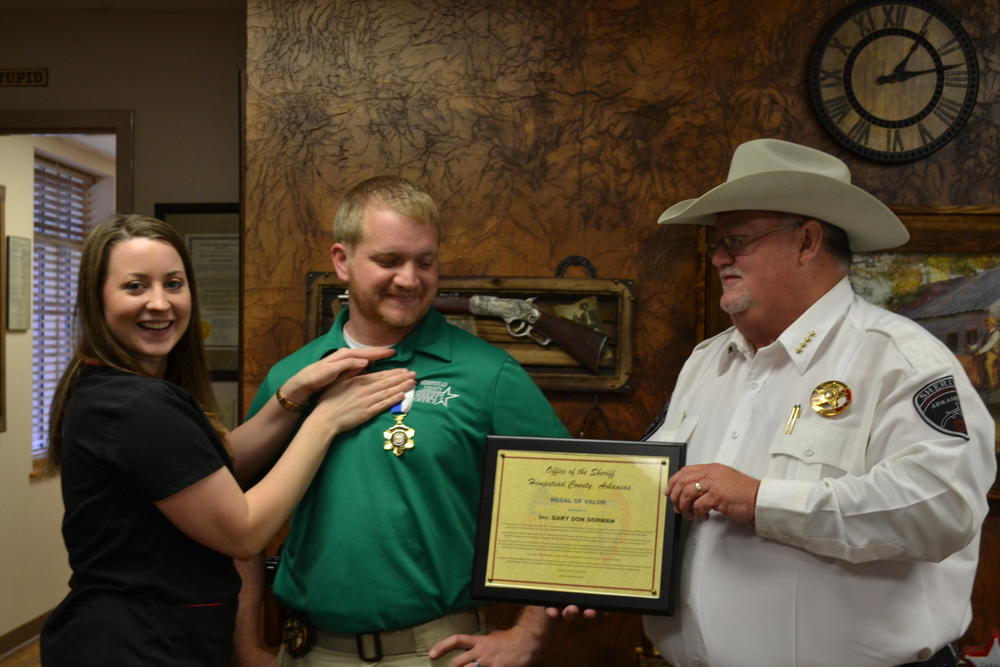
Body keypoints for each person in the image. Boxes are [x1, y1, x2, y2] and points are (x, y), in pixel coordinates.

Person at [633, 138, 997, 667]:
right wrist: (599, 561)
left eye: (737, 239)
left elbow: (941, 507)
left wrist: (761, 500)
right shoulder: (706, 362)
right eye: (717, 242)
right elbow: (653, 492)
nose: (718, 256)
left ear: (806, 241)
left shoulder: (901, 360)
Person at [40, 214, 416, 667]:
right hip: (137, 646)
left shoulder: (115, 389)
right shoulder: (135, 405)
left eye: (173, 284)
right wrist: (325, 420)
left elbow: (206, 477)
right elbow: (243, 530)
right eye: (135, 287)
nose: (160, 303)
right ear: (96, 298)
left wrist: (290, 397)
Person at [233, 176, 570, 667]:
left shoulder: (488, 374)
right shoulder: (293, 378)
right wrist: (246, 645)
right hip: (308, 650)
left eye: (425, 261)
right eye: (389, 260)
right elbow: (238, 519)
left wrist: (528, 633)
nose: (410, 279)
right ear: (342, 260)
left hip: (432, 650)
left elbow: (565, 501)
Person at [967, 315, 999, 389]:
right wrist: (971, 347)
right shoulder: (986, 334)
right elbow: (979, 343)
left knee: (988, 363)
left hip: (994, 353)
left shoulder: (996, 334)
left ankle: (992, 383)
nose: (986, 326)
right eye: (986, 324)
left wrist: (980, 352)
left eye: (987, 324)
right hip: (985, 352)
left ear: (992, 325)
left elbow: (989, 344)